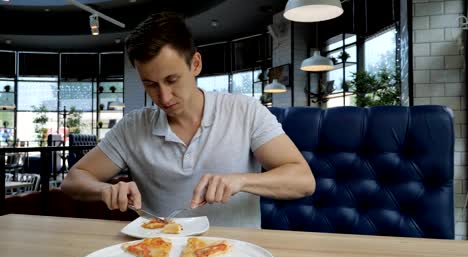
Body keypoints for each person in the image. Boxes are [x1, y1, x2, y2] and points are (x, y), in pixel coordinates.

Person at [61, 11, 315, 228]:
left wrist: (241, 180)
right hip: (160, 252)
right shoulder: (133, 127)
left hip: (236, 252)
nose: (163, 96)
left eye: (172, 80)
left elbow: (303, 181)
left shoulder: (244, 110)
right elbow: (74, 180)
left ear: (195, 64)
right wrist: (105, 190)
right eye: (150, 84)